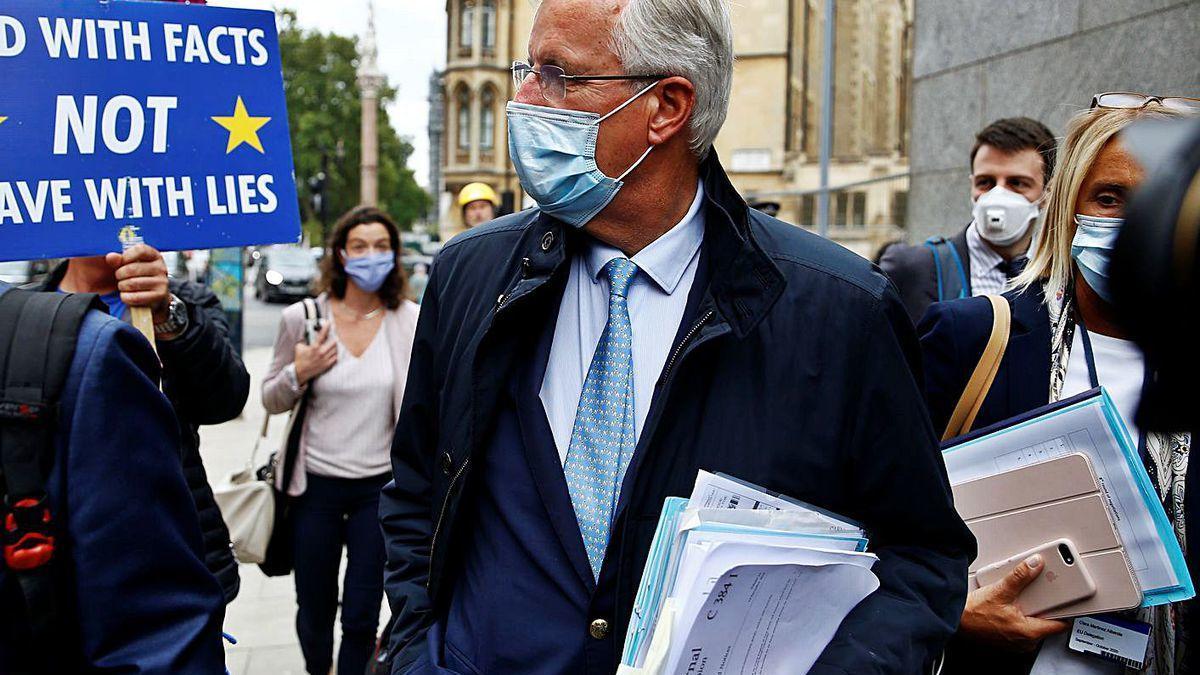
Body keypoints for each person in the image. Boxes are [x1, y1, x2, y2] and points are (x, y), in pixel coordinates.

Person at [379, 1, 974, 673]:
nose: (522, 99)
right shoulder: (470, 274)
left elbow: (921, 558)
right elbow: (416, 494)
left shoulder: (841, 314)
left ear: (666, 106)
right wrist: (415, 656)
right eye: (527, 67)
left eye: (557, 74)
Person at [920, 96, 1196, 674]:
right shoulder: (973, 338)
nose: (1132, 224)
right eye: (1109, 197)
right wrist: (956, 612)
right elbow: (873, 521)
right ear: (1069, 207)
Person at [0, 282, 226, 673]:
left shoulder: (83, 346)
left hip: (166, 545)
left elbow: (225, 396)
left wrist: (171, 318)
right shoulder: (44, 303)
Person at [36, 246, 249, 605]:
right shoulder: (22, 310)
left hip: (170, 554)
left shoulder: (185, 301)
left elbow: (224, 400)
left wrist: (170, 317)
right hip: (56, 561)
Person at [263, 206, 420, 675]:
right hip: (314, 491)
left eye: (381, 246)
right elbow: (270, 398)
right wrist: (300, 371)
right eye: (359, 246)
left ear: (394, 256)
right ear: (340, 254)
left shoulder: (408, 319)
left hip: (380, 492)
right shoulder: (303, 318)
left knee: (362, 614)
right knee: (313, 609)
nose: (371, 256)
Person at [881, 117, 1057, 324]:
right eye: (985, 182)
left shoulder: (1063, 276)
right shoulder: (913, 270)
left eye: (1017, 183)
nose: (997, 195)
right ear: (972, 185)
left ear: (1048, 193)